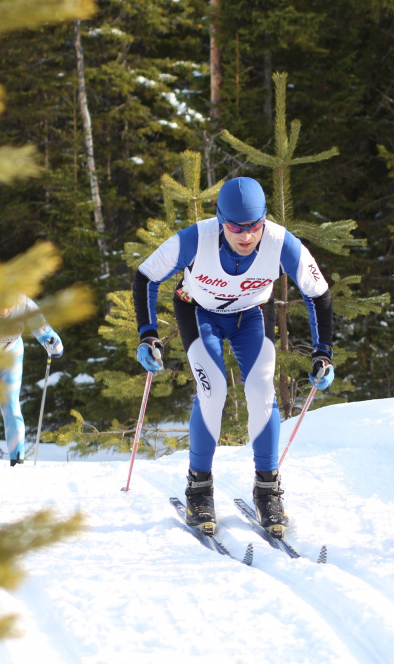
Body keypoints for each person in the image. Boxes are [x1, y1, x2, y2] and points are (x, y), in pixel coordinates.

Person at [132, 176, 334, 538]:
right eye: (236, 228)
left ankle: (268, 489)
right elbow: (146, 276)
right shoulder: (195, 238)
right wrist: (148, 334)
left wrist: (324, 352)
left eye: (254, 227)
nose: (246, 236)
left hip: (253, 316)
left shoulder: (281, 242)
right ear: (220, 219)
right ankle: (199, 488)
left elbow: (317, 293)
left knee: (261, 390)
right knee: (214, 392)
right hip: (199, 313)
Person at [0, 295, 63, 466]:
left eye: (9, 307)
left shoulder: (25, 305)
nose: (4, 311)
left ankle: (17, 460)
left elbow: (45, 331)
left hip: (11, 355)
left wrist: (53, 343)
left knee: (11, 404)